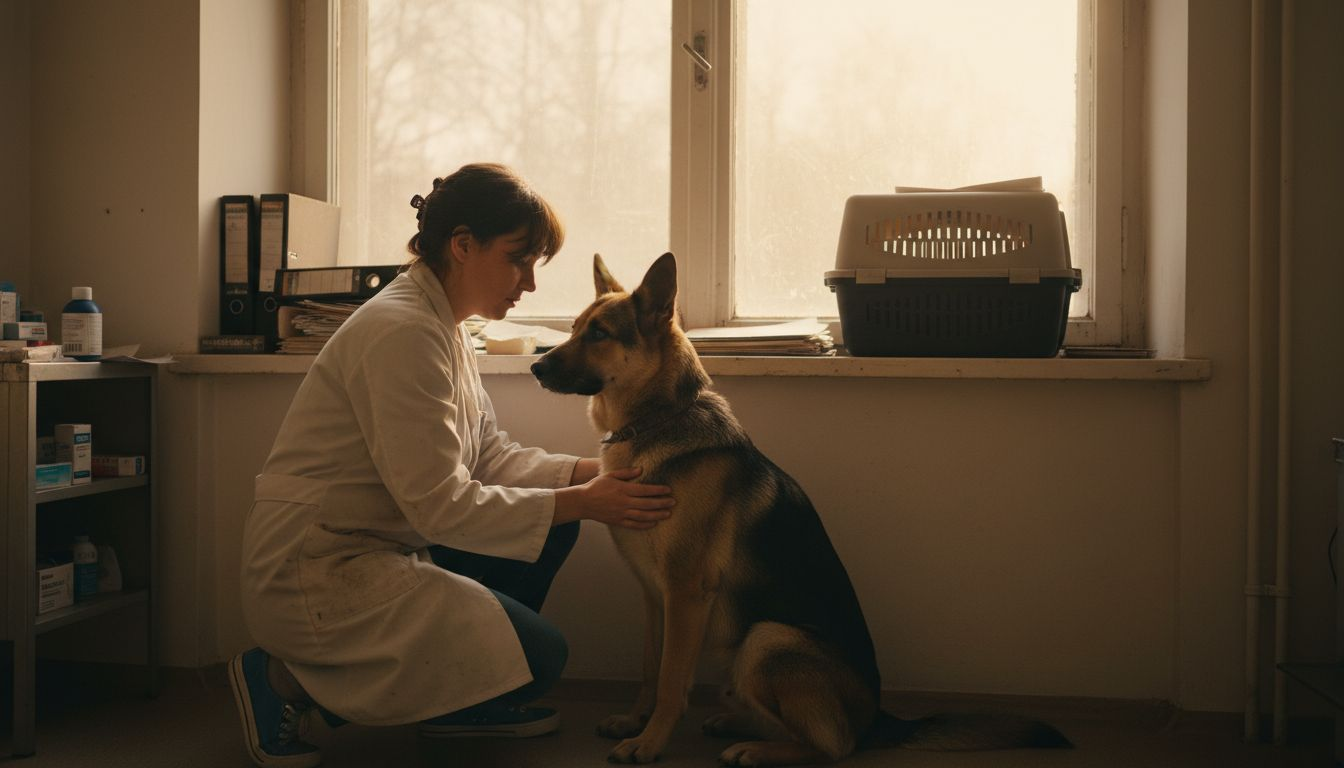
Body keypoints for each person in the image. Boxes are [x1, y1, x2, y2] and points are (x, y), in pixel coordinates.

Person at [229, 163, 674, 768]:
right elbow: (442, 505)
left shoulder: (443, 326)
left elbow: (487, 456)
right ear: (463, 246)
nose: (529, 285)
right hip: (319, 567)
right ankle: (281, 678)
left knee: (554, 526)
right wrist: (585, 501)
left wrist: (587, 476)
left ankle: (458, 704)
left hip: (382, 542)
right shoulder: (402, 333)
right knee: (540, 657)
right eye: (519, 260)